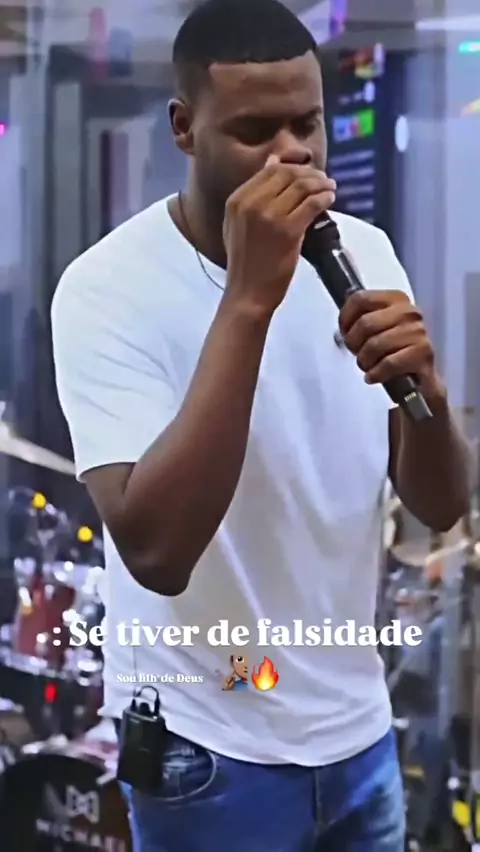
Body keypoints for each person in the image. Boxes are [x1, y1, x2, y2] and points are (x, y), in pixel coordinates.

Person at [51, 0, 470, 848]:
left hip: (355, 729)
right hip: (208, 745)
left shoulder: (365, 253)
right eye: (253, 131)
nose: (293, 154)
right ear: (184, 129)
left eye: (306, 125)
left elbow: (442, 504)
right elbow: (158, 552)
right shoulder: (106, 290)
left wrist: (424, 391)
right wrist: (249, 299)